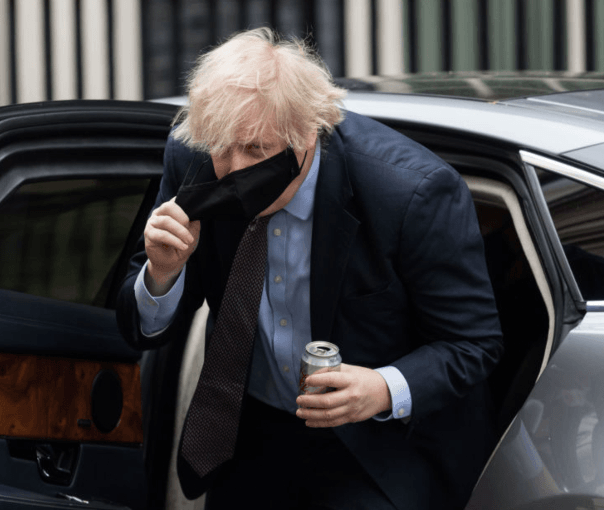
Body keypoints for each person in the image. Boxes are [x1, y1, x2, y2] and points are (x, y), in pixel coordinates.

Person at [116, 28, 503, 510]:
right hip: (250, 433)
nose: (233, 171)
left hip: (374, 448)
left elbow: (475, 343)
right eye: (221, 148)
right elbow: (140, 329)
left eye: (256, 151)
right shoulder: (194, 158)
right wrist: (163, 274)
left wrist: (382, 388)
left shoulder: (411, 194)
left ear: (306, 132)